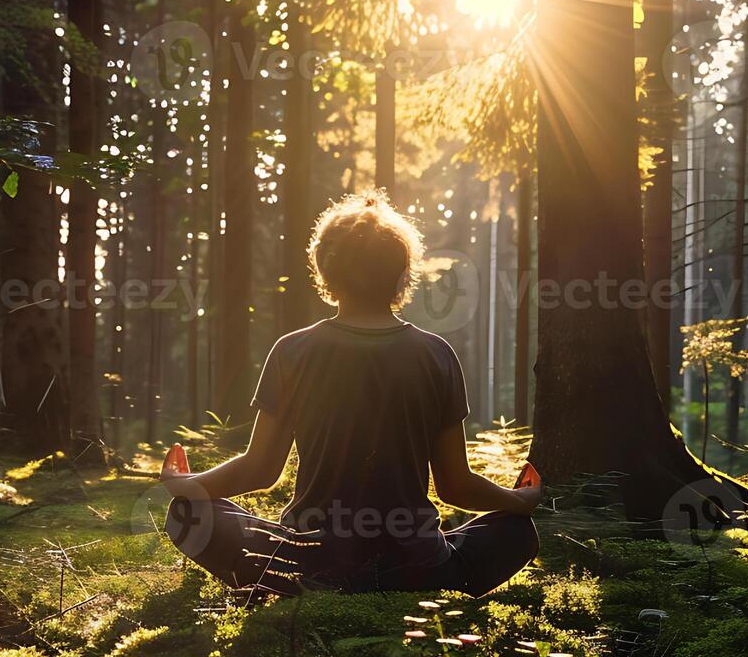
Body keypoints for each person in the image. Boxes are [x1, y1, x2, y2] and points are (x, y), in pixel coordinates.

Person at [159, 191, 541, 596]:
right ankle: (431, 586)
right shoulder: (437, 355)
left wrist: (187, 486)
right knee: (516, 532)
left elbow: (260, 470)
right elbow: (455, 487)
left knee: (186, 515)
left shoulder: (293, 350)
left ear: (326, 271)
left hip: (309, 558)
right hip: (416, 564)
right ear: (401, 275)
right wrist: (520, 502)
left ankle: (286, 585)